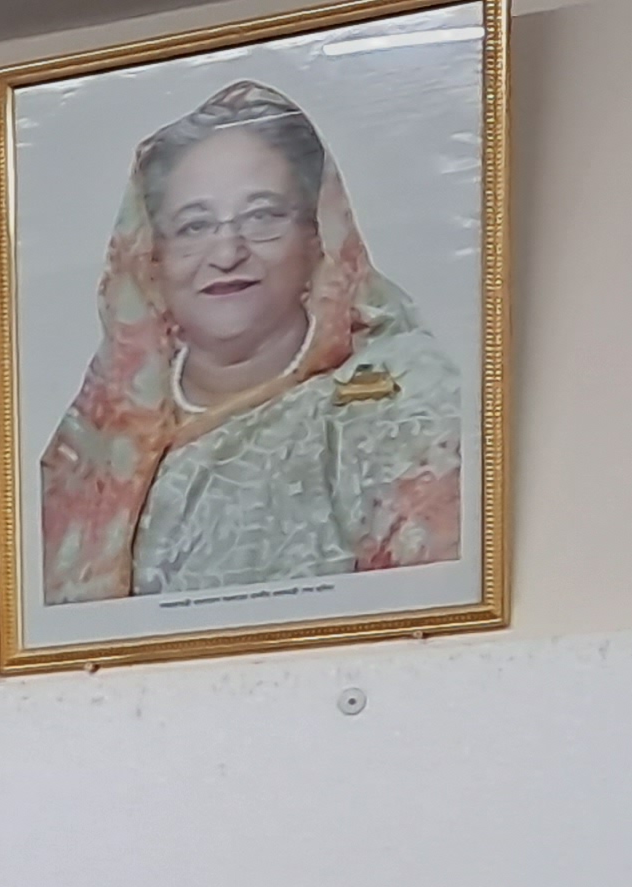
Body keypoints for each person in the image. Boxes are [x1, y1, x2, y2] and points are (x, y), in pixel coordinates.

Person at [41, 81, 472, 606]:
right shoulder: (98, 438)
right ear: (151, 258)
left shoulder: (397, 402)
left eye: (262, 216)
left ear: (318, 237)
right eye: (194, 225)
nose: (226, 251)